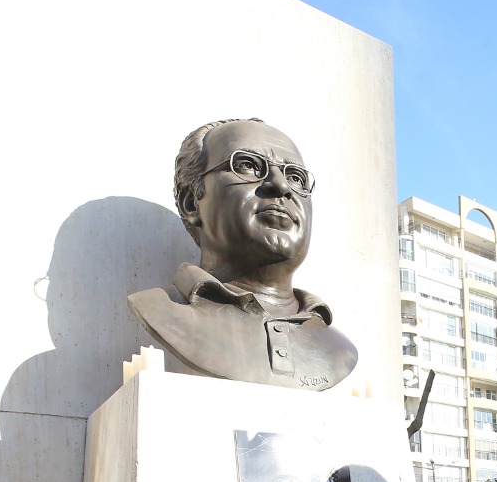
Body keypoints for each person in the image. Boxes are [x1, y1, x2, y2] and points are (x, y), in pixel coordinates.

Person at [129, 117, 358, 391]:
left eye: (295, 177)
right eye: (248, 165)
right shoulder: (164, 310)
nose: (280, 186)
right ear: (192, 203)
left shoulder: (339, 350)